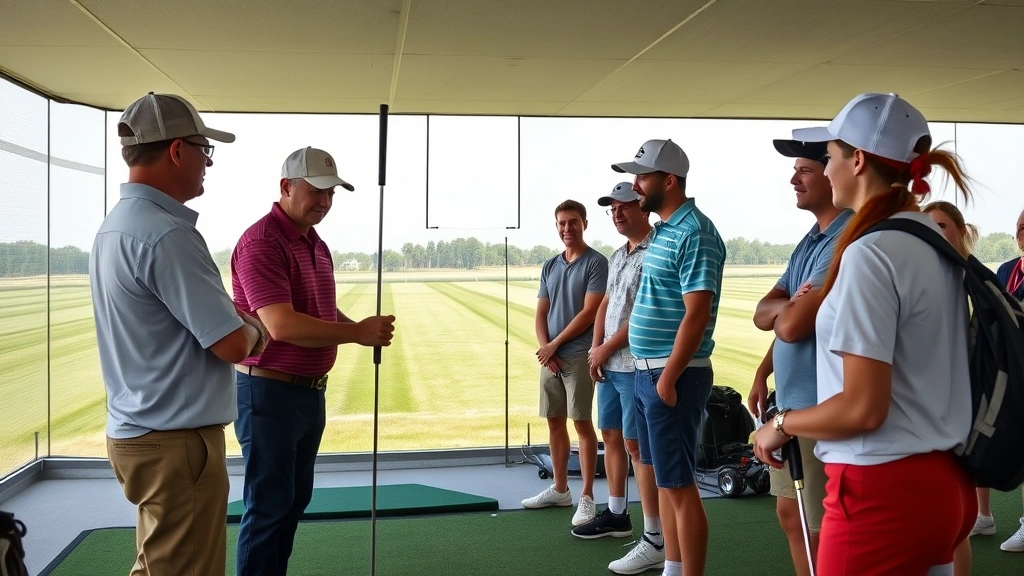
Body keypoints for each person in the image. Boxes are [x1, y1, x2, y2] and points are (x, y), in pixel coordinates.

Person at [752, 92, 977, 575]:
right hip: (946, 482)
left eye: (829, 156)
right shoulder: (929, 237)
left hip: (881, 494)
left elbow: (862, 408)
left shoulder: (869, 253)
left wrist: (780, 424)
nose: (827, 168)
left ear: (856, 161)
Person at [90, 92, 265, 576]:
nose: (207, 162)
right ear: (176, 151)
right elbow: (233, 343)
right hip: (175, 444)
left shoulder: (115, 227)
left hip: (139, 433)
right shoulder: (167, 233)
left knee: (158, 565)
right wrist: (255, 327)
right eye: (204, 149)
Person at [230, 147, 396, 576]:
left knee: (292, 501)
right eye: (316, 191)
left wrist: (357, 327)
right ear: (286, 187)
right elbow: (281, 325)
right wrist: (357, 333)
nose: (324, 201)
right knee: (268, 506)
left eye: (331, 193)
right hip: (267, 392)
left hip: (306, 394)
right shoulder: (262, 242)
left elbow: (320, 310)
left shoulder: (314, 242)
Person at [611, 139, 727, 576]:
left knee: (679, 486)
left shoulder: (695, 233)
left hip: (673, 376)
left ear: (669, 180)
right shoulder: (664, 231)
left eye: (642, 177)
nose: (636, 185)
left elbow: (697, 315)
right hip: (648, 373)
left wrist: (666, 378)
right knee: (665, 481)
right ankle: (672, 567)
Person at [748, 137, 851, 576]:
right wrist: (762, 372)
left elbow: (791, 325)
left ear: (832, 174)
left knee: (820, 527)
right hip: (791, 404)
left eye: (805, 170)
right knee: (791, 515)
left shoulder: (845, 236)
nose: (794, 180)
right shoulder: (810, 241)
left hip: (819, 407)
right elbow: (763, 313)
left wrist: (786, 309)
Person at [572, 183, 666, 574]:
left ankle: (655, 536)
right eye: (612, 209)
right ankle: (616, 514)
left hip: (635, 365)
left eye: (624, 207)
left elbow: (642, 313)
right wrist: (596, 349)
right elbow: (606, 304)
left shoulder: (656, 250)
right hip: (609, 363)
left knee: (636, 446)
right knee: (610, 434)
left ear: (643, 207)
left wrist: (605, 348)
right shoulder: (618, 254)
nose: (617, 214)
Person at [522, 200, 609, 528]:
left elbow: (589, 312)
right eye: (561, 223)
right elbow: (541, 312)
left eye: (573, 222)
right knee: (554, 422)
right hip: (551, 358)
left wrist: (554, 346)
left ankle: (587, 497)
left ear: (584, 223)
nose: (567, 228)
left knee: (582, 424)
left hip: (578, 355)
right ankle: (560, 490)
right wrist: (546, 349)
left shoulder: (596, 263)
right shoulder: (550, 265)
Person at [922, 201, 981, 576]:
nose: (933, 233)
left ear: (961, 231)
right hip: (937, 409)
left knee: (954, 521)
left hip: (957, 410)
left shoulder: (964, 277)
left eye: (941, 225)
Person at [987, 206, 1024, 554]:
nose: (1022, 232)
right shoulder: (1006, 269)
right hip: (1011, 367)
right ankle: (984, 516)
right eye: (1019, 227)